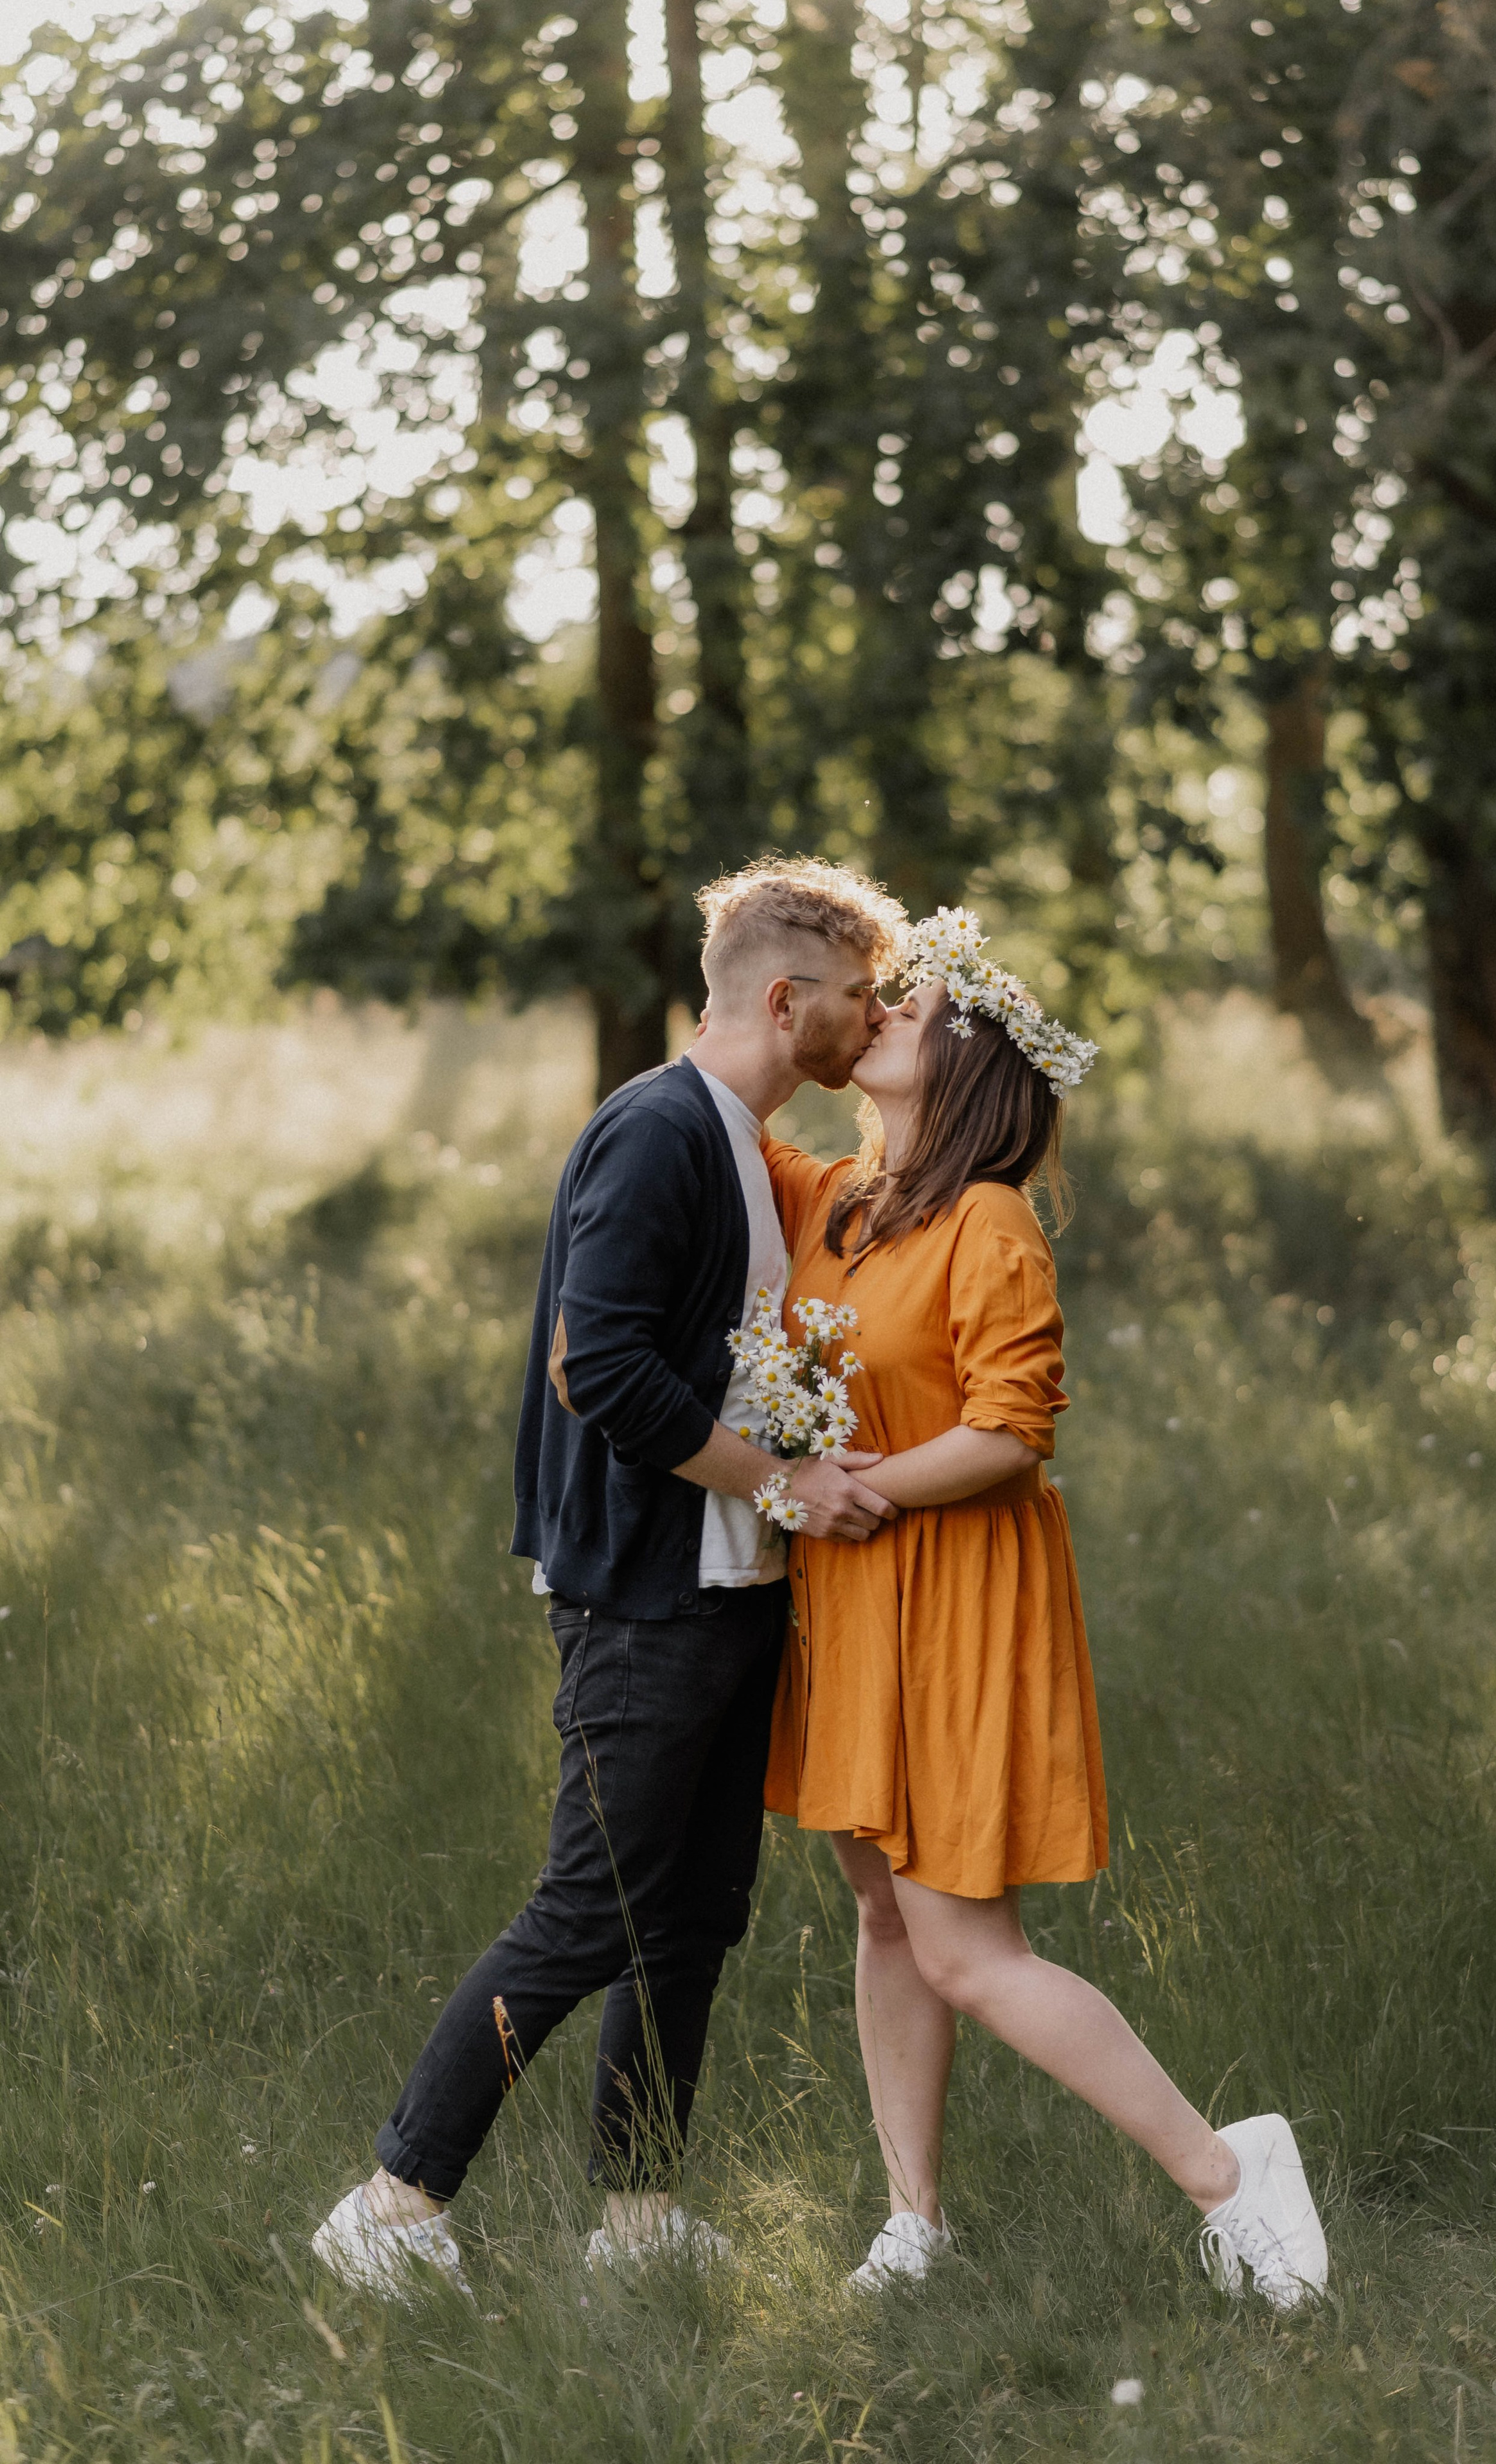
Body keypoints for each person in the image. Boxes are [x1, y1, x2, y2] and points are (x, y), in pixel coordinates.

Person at [313, 857, 907, 2301]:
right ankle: (391, 2206)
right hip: (643, 1591)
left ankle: (634, 2220)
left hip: (723, 1584)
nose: (873, 1018)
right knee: (592, 1907)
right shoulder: (656, 1132)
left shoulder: (737, 1144)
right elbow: (602, 1368)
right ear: (784, 998)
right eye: (858, 995)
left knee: (691, 1914)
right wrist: (779, 1481)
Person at [759, 908, 1328, 2311]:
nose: (876, 1013)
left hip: (952, 1588)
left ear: (964, 1066)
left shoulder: (989, 1220)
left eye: (909, 1008)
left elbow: (1012, 1432)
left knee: (964, 1943)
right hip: (853, 1598)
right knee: (885, 1917)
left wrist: (849, 1486)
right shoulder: (830, 1197)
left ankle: (1225, 2174)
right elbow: (720, 1070)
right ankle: (912, 2221)